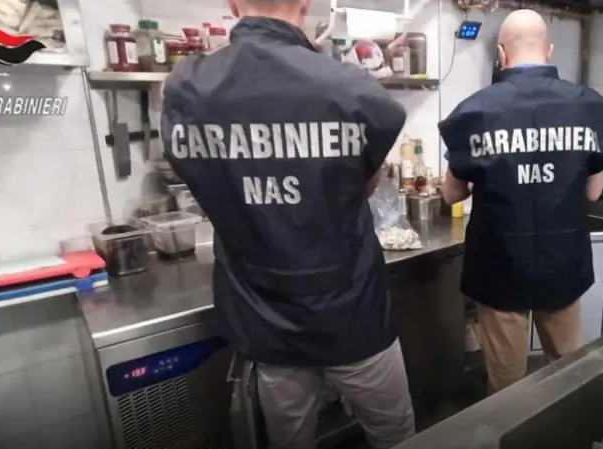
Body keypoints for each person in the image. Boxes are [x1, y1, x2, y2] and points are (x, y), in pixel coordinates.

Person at [160, 1, 415, 448]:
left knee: (290, 442)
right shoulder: (351, 86)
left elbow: (202, 177)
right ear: (306, 3)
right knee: (396, 436)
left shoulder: (187, 85)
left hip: (267, 318)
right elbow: (363, 184)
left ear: (232, 4)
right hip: (352, 312)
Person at [439, 9, 603, 393]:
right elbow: (592, 192)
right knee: (568, 373)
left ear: (502, 54)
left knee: (507, 387)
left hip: (500, 267)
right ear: (548, 50)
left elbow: (452, 193)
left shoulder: (474, 111)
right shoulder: (588, 107)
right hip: (562, 264)